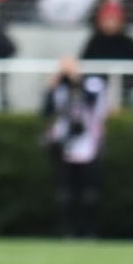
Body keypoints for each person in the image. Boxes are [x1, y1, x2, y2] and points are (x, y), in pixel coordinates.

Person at [41, 64, 110, 238]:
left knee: (89, 193)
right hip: (65, 146)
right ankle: (68, 231)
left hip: (88, 146)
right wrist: (53, 85)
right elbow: (47, 111)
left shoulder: (91, 84)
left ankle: (89, 231)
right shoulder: (61, 89)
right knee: (65, 193)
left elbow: (93, 102)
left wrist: (77, 82)